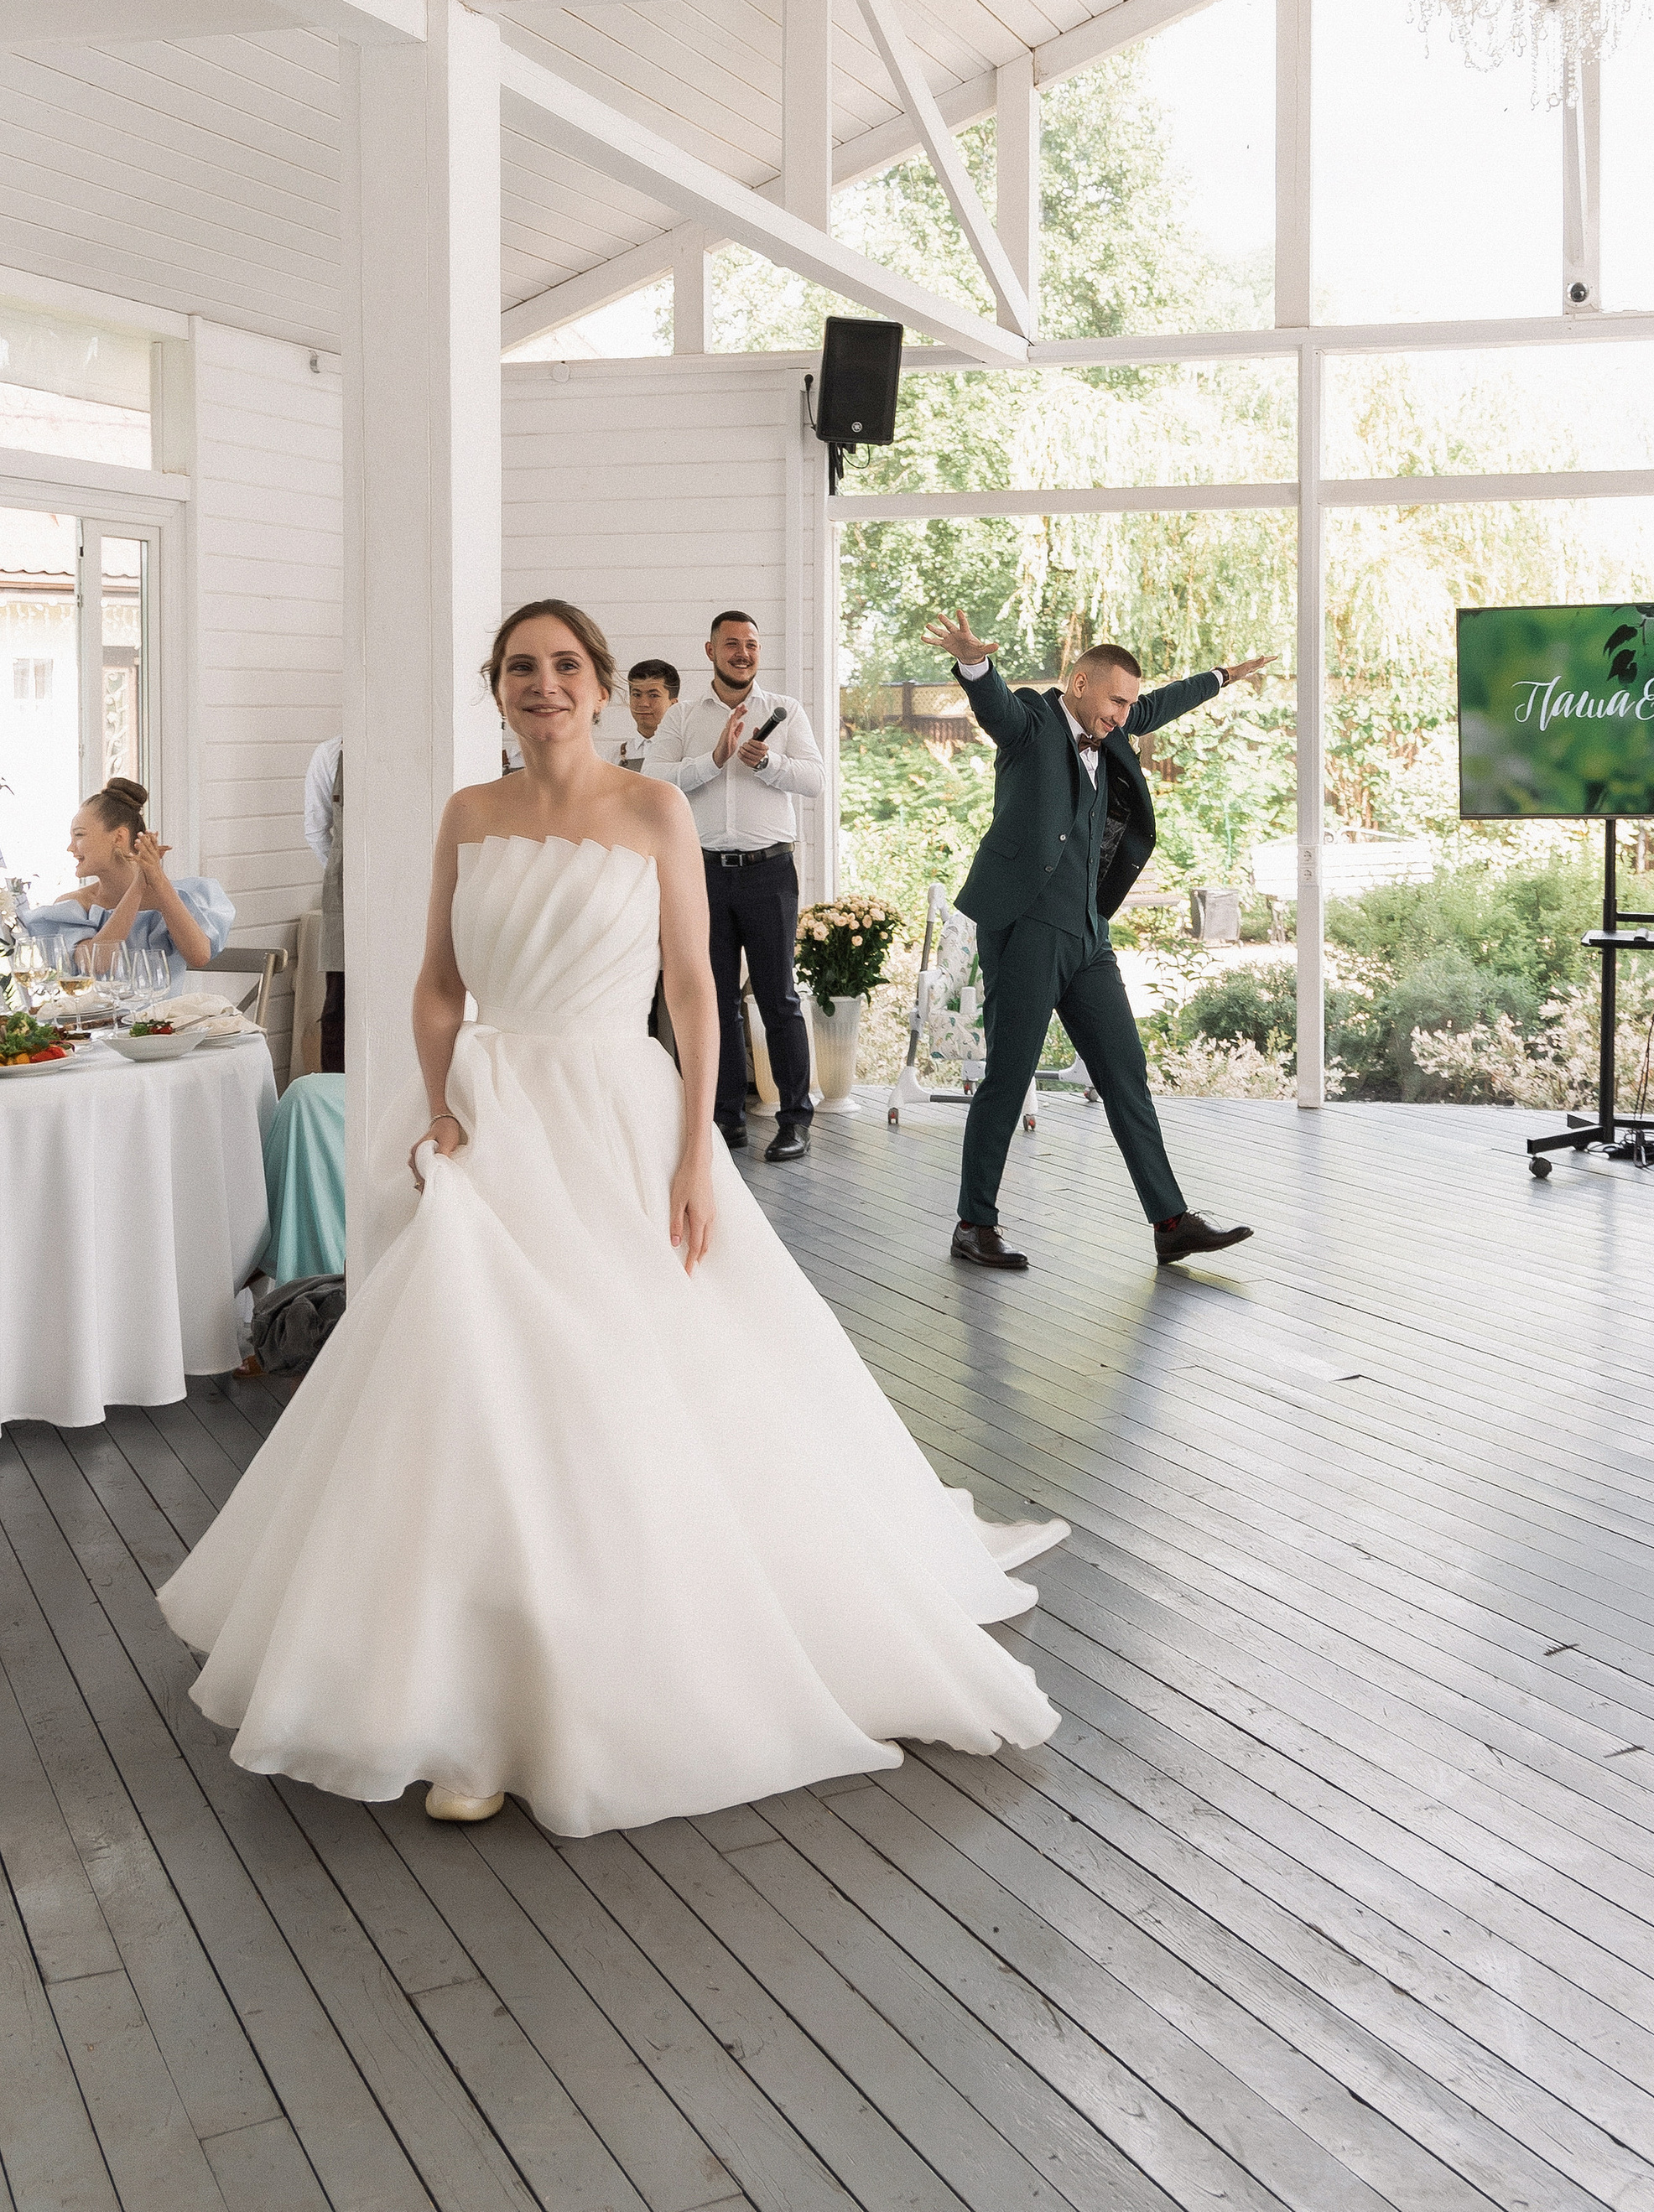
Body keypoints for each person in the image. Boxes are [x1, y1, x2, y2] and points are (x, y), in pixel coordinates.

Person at [155, 597, 1064, 1840]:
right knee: (471, 1378)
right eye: (521, 668)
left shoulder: (653, 811)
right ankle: (462, 1698)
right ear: (499, 688)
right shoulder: (467, 814)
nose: (545, 685)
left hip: (615, 1120)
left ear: (596, 686)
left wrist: (695, 1153)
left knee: (620, 1380)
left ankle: (574, 1677)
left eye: (565, 666)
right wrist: (441, 1105)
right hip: (491, 1118)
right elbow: (438, 986)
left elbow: (692, 991)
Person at [923, 610, 1273, 1271]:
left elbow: (1160, 704)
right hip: (1027, 928)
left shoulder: (1114, 726)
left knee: (1124, 1072)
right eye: (1116, 701)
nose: (1124, 715)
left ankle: (1170, 1222)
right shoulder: (1031, 722)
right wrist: (973, 662)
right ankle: (974, 1224)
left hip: (1089, 935)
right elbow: (994, 706)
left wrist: (1223, 676)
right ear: (1080, 684)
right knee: (1008, 1077)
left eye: (1129, 704)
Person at [643, 610, 822, 1164]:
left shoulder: (785, 711)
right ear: (710, 651)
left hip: (770, 873)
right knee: (713, 1001)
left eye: (751, 644)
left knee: (779, 999)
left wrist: (768, 763)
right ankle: (725, 1120)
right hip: (701, 875)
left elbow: (815, 780)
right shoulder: (682, 716)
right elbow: (654, 780)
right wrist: (713, 760)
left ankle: (795, 1120)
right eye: (731, 644)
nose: (743, 653)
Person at [26, 777, 234, 989]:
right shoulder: (74, 906)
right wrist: (138, 886)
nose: (71, 847)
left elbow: (199, 956)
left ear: (119, 838)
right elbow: (96, 965)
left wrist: (158, 879)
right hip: (99, 1013)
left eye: (79, 835)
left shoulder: (182, 896)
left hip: (166, 1012)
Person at [303, 734, 344, 1070]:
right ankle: (336, 1095)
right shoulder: (330, 754)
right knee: (339, 1008)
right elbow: (317, 831)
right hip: (345, 900)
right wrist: (344, 877)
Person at [616, 660, 680, 771]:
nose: (643, 704)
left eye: (653, 695)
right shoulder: (613, 757)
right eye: (637, 695)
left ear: (673, 703)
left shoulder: (686, 753)